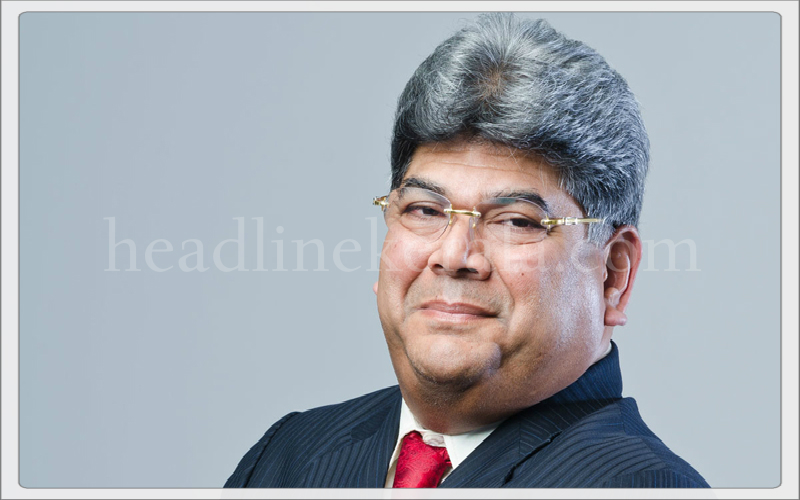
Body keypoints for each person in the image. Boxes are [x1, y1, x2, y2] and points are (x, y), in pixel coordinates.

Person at [224, 13, 709, 488]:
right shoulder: (288, 454)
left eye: (515, 221)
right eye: (424, 210)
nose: (454, 256)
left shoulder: (640, 483)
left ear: (613, 275)